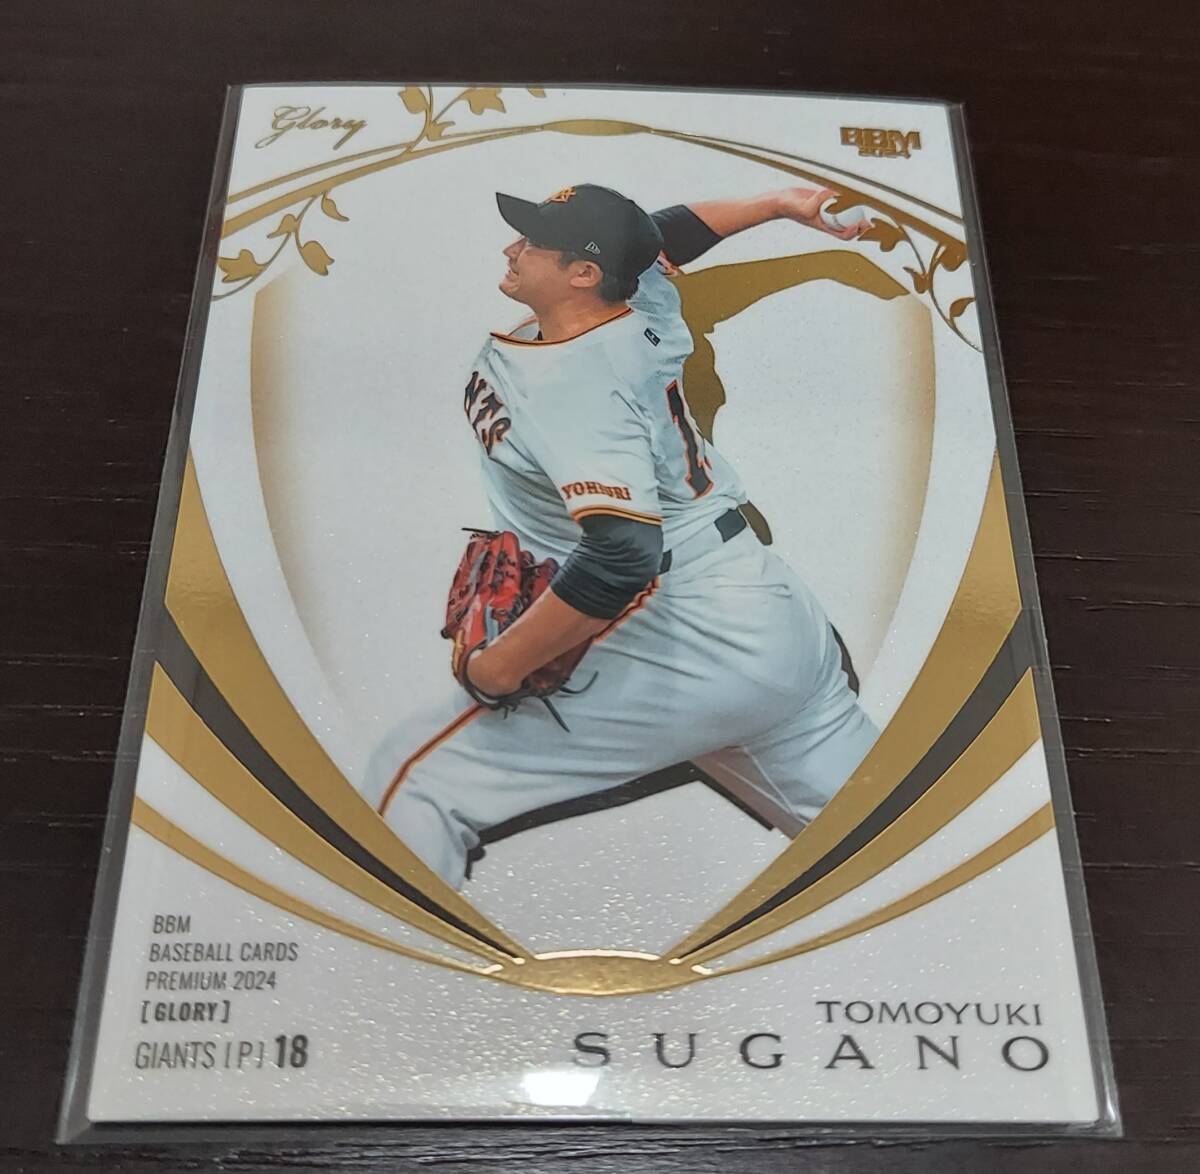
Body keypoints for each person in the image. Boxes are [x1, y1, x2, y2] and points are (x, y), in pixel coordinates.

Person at [371, 182, 879, 889]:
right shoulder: (635, 299)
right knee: (887, 837)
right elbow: (659, 237)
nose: (512, 248)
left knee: (409, 779)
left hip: (678, 626)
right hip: (766, 611)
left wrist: (497, 671)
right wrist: (776, 205)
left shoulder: (575, 385)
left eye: (533, 243)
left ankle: (396, 956)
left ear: (583, 273)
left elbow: (619, 555)